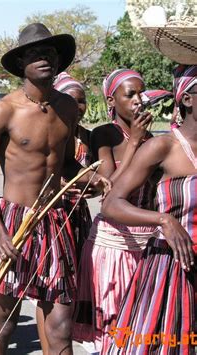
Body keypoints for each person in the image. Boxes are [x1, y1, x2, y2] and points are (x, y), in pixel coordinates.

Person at [0, 23, 109, 354]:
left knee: (60, 325)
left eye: (50, 53)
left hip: (56, 223)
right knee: (6, 318)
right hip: (13, 225)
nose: (45, 59)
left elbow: (66, 164)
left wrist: (92, 178)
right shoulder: (4, 111)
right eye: (35, 54)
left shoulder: (67, 108)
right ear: (20, 64)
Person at [102, 65, 197, 354]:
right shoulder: (163, 147)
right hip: (172, 268)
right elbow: (111, 203)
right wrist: (163, 220)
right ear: (188, 99)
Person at [73, 69, 157, 351]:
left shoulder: (153, 139)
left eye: (141, 94)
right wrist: (134, 141)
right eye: (130, 94)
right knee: (113, 333)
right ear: (111, 101)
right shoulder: (105, 135)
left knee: (143, 329)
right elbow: (110, 190)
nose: (138, 100)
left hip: (148, 244)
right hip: (114, 245)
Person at [53, 72, 93, 261]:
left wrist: (95, 188)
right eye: (71, 100)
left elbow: (97, 175)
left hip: (79, 214)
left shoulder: (90, 137)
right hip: (53, 212)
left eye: (82, 100)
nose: (77, 107)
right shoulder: (49, 134)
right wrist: (56, 184)